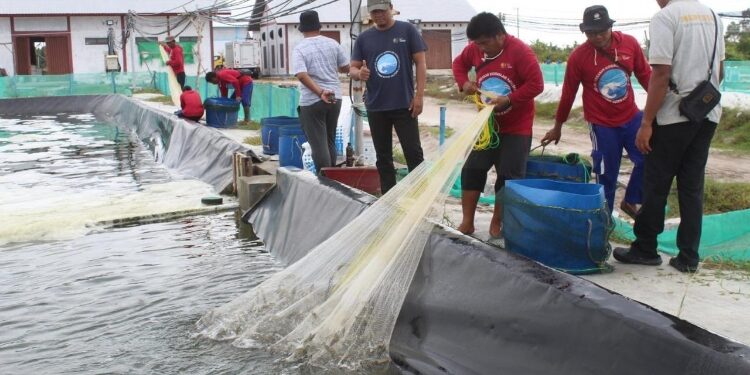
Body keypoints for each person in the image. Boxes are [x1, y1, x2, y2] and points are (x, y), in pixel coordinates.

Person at [613, 0, 725, 273]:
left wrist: (647, 122)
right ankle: (688, 256)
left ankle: (645, 248)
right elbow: (720, 69)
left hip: (673, 115)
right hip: (706, 113)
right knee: (691, 186)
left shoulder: (666, 17)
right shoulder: (713, 15)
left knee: (656, 183)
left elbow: (661, 73)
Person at [541, 5, 651, 218]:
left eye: (602, 31)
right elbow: (568, 95)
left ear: (610, 26)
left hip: (631, 116)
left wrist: (658, 109)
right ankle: (603, 222)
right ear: (584, 32)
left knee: (649, 158)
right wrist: (557, 127)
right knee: (606, 175)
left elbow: (646, 77)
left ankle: (631, 200)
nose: (598, 36)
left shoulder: (629, 44)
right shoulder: (578, 57)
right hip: (602, 125)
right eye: (592, 33)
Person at [452, 12, 544, 237]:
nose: (481, 48)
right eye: (477, 44)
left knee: (508, 175)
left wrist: (509, 99)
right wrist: (464, 83)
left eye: (485, 43)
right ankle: (467, 222)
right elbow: (459, 64)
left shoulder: (520, 52)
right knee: (472, 169)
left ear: (500, 36)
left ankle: (497, 222)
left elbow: (537, 84)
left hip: (517, 127)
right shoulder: (474, 50)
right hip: (486, 125)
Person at [350, 0, 427, 194]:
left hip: (405, 103)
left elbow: (421, 63)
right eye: (374, 12)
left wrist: (419, 96)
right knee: (383, 156)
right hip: (377, 105)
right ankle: (388, 198)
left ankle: (420, 196)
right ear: (370, 13)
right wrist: (359, 74)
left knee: (413, 153)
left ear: (391, 8)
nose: (379, 15)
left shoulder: (407, 30)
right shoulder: (364, 38)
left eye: (382, 11)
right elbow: (353, 67)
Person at [292, 10, 349, 173]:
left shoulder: (300, 49)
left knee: (318, 143)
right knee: (330, 140)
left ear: (302, 29)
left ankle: (326, 182)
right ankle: (333, 179)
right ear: (319, 26)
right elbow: (345, 67)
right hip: (335, 98)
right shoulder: (333, 44)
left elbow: (302, 75)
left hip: (313, 101)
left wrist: (319, 92)